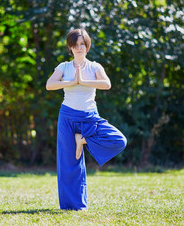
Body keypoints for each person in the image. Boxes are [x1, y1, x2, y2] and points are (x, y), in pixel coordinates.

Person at [46, 28, 127, 210]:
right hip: (67, 117)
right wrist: (72, 82)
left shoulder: (95, 67)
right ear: (71, 48)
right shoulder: (64, 67)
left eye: (82, 44)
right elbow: (49, 85)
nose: (79, 48)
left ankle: (82, 139)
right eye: (75, 45)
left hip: (90, 117)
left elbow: (107, 84)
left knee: (119, 140)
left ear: (87, 46)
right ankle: (72, 206)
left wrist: (83, 81)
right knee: (68, 164)